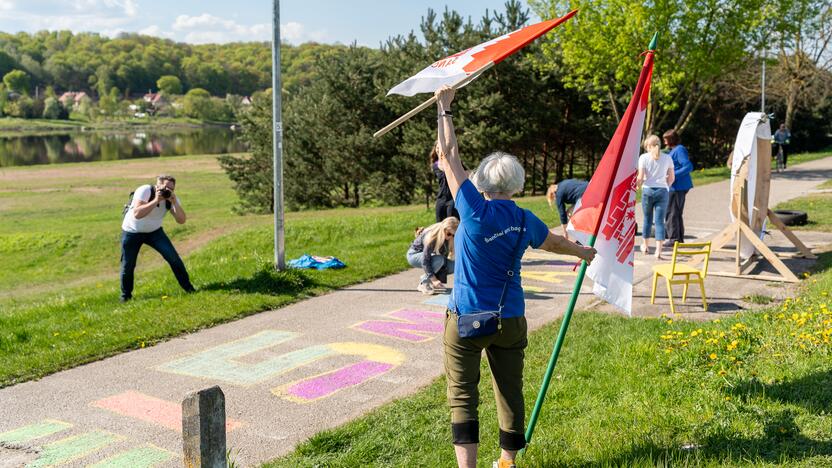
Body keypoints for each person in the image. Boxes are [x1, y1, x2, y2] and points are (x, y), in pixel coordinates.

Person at [433, 86, 596, 468]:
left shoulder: (472, 207)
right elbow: (552, 242)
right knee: (510, 392)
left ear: (483, 183)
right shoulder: (524, 219)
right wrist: (582, 252)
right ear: (516, 184)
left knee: (462, 394)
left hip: (467, 318)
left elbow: (449, 155)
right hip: (510, 319)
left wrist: (444, 109)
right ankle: (506, 463)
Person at [120, 175, 195, 302]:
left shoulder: (170, 197)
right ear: (158, 185)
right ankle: (125, 297)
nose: (168, 190)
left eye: (172, 189)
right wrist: (156, 200)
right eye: (166, 187)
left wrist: (175, 202)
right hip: (132, 232)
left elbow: (181, 220)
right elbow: (137, 214)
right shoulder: (145, 190)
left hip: (154, 232)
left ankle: (189, 289)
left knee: (174, 258)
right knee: (128, 265)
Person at [637, 135, 675, 259]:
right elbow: (671, 177)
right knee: (659, 222)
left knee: (647, 219)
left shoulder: (643, 158)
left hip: (648, 190)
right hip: (662, 190)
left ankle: (645, 245)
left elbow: (640, 177)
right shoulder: (667, 157)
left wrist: (637, 186)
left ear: (648, 146)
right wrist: (666, 185)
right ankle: (659, 251)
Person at [406, 217, 458, 294]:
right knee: (440, 260)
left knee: (455, 265)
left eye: (453, 235)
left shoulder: (447, 237)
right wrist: (434, 279)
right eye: (449, 234)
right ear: (443, 229)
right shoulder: (431, 236)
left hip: (429, 256)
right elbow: (425, 260)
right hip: (414, 255)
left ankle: (428, 280)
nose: (450, 237)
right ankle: (423, 283)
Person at [663, 129, 693, 246]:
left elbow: (688, 166)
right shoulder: (674, 150)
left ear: (671, 139)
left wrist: (673, 175)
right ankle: (678, 239)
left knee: (671, 212)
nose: (664, 142)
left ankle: (673, 238)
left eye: (666, 139)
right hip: (676, 186)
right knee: (675, 212)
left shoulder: (679, 150)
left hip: (677, 186)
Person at [432, 144, 460, 222]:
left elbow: (466, 173)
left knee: (452, 223)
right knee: (439, 223)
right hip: (441, 198)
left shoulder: (454, 162)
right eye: (437, 148)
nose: (438, 150)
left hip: (452, 198)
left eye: (440, 148)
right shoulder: (435, 166)